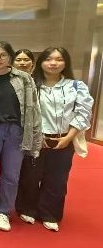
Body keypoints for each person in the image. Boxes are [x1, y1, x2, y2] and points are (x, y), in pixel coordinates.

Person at [17, 47, 93, 232]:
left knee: (57, 179)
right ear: (41, 62)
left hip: (64, 139)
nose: (53, 63)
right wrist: (37, 135)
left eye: (59, 59)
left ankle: (50, 213)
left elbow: (83, 113)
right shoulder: (31, 84)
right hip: (36, 138)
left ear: (66, 63)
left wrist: (69, 137)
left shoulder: (76, 86)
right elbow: (24, 113)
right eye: (49, 59)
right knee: (30, 176)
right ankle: (27, 208)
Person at [0, 41, 42, 232]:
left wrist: (36, 136)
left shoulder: (23, 79)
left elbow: (33, 108)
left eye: (2, 55)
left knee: (11, 174)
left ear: (10, 57)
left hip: (16, 130)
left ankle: (3, 211)